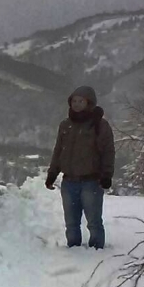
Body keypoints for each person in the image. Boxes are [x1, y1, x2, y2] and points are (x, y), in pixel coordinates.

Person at [45, 85, 115, 249]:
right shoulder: (65, 125)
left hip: (91, 181)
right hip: (69, 181)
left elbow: (108, 152)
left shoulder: (100, 125)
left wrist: (106, 175)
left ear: (89, 103)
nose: (76, 104)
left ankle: (97, 250)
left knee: (94, 222)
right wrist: (52, 174)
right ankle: (73, 249)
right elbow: (58, 151)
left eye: (80, 101)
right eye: (74, 101)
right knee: (71, 223)